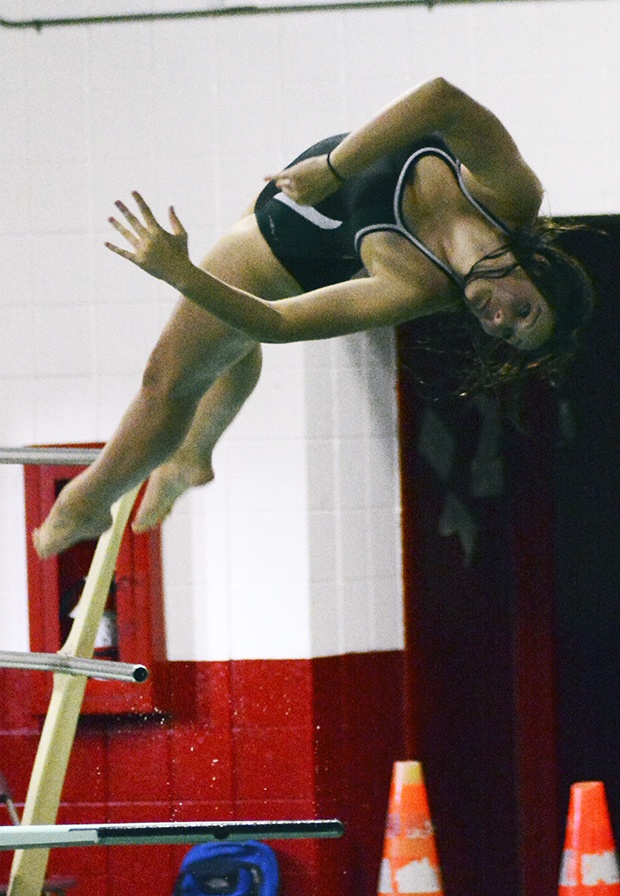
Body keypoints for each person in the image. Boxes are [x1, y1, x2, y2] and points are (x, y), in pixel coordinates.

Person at [33, 77, 593, 559]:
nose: (498, 318)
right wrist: (333, 167)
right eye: (522, 309)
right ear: (537, 267)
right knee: (223, 356)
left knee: (169, 383)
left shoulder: (419, 285)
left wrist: (177, 272)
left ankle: (86, 502)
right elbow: (442, 99)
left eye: (505, 333)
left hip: (281, 252)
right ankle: (191, 458)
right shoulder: (509, 193)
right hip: (297, 200)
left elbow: (278, 325)